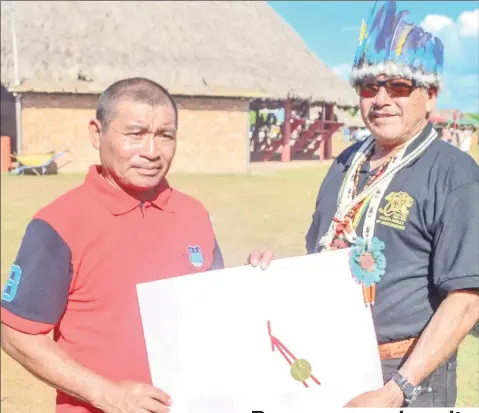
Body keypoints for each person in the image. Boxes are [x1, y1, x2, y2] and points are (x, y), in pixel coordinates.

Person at [248, 0, 479, 408]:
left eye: (400, 87)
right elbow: (322, 256)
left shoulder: (454, 173)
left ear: (430, 97)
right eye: (369, 87)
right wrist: (272, 272)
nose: (382, 99)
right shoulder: (344, 164)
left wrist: (395, 392)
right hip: (331, 363)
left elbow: (465, 299)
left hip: (409, 376)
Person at [1, 77, 224, 413]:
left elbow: (216, 310)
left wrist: (255, 278)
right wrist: (105, 393)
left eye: (165, 136)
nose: (152, 152)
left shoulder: (194, 214)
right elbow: (17, 334)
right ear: (97, 133)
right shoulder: (59, 223)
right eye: (135, 134)